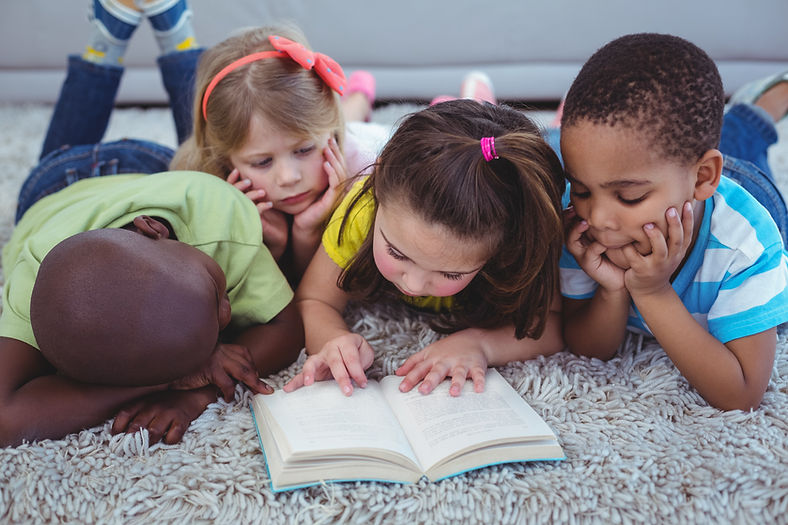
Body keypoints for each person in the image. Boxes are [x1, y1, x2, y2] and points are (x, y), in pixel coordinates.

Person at [24, 0, 382, 283]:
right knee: (57, 161)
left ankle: (357, 98)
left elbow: (316, 293)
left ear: (329, 130)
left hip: (151, 168)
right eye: (262, 162)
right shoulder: (204, 184)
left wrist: (304, 235)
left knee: (252, 121)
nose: (289, 177)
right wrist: (265, 244)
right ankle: (119, 45)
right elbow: (242, 300)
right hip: (64, 182)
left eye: (303, 150)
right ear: (225, 160)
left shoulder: (361, 174)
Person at [558, 33, 788, 411]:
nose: (598, 218)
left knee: (742, 146)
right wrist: (613, 291)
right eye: (581, 189)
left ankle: (763, 108)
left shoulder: (747, 246)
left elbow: (742, 394)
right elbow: (586, 349)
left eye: (629, 197)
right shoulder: (580, 220)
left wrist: (653, 293)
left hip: (750, 188)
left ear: (703, 178)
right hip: (680, 179)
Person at [283, 99, 567, 397]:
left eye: (451, 274)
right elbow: (314, 299)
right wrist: (331, 339)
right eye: (396, 253)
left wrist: (481, 344)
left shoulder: (520, 237)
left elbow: (553, 323)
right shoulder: (361, 212)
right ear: (377, 189)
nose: (414, 285)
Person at [0, 170, 303, 448]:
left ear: (154, 229)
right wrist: (172, 380)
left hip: (123, 173)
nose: (228, 313)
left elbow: (288, 326)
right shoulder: (36, 284)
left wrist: (201, 394)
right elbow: (6, 420)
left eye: (215, 291)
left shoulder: (215, 215)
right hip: (57, 200)